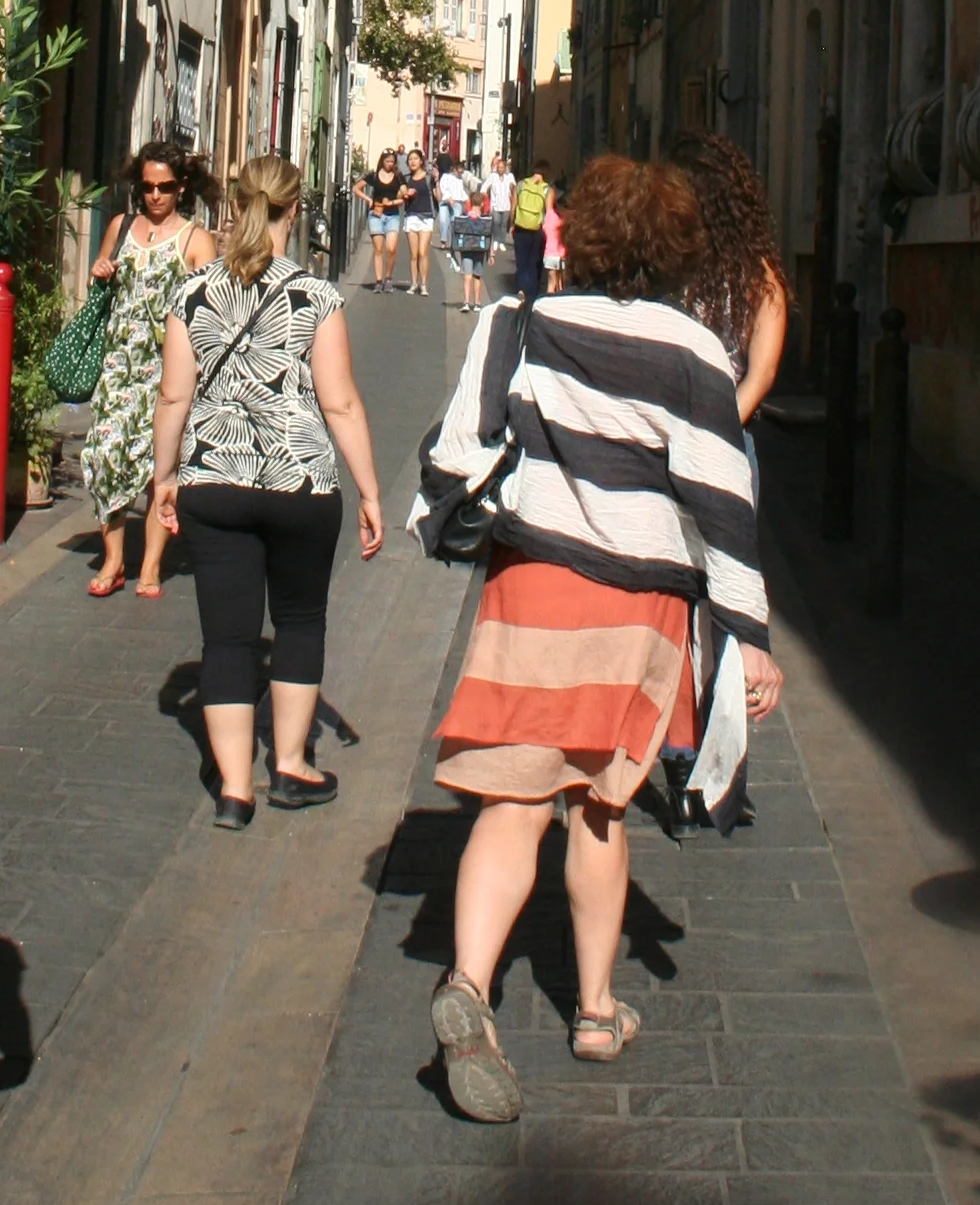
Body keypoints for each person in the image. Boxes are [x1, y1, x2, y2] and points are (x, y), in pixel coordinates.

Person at [419, 155, 782, 1120]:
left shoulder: (518, 325)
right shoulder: (694, 351)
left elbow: (458, 456)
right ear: (671, 250)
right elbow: (722, 499)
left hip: (532, 586)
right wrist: (748, 636)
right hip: (639, 603)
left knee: (510, 797)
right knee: (599, 806)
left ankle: (466, 983)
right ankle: (592, 1008)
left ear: (573, 236)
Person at [151, 155, 387, 826]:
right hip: (301, 483)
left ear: (236, 206)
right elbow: (339, 403)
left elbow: (173, 395)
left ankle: (233, 788)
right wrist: (369, 490)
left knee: (226, 638)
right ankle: (289, 764)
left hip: (213, 480)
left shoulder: (191, 293)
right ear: (294, 210)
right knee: (299, 622)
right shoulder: (315, 297)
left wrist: (165, 475)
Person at [79, 143, 218, 597]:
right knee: (106, 456)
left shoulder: (196, 240)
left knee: (161, 469)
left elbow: (211, 310)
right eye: (147, 187)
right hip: (120, 363)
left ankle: (152, 564)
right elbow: (99, 284)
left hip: (167, 371)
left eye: (165, 187)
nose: (155, 196)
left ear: (181, 188)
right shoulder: (121, 228)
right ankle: (115, 559)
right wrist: (99, 272)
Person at [671, 131, 791, 424]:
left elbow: (762, 375)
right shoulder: (667, 261)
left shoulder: (757, 278)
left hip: (722, 434)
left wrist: (715, 434)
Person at [509, 161, 551, 299]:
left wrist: (511, 225)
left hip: (520, 227)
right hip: (537, 230)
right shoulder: (547, 189)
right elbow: (549, 213)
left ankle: (521, 289)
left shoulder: (521, 185)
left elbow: (513, 208)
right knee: (534, 263)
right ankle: (532, 294)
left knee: (521, 262)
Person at [363, 145, 404, 290]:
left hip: (392, 214)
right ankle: (379, 281)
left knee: (391, 248)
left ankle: (388, 277)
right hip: (376, 214)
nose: (390, 164)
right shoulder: (374, 176)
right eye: (387, 161)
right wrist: (368, 199)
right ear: (382, 161)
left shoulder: (398, 176)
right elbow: (356, 188)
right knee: (378, 248)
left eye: (392, 161)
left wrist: (399, 196)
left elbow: (403, 195)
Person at [400, 148, 438, 296]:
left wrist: (437, 180)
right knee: (413, 254)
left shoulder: (429, 178)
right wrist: (405, 194)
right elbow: (400, 195)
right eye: (410, 159)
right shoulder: (406, 178)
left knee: (423, 252)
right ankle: (414, 283)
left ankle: (423, 284)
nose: (413, 161)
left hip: (426, 216)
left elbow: (438, 197)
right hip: (411, 216)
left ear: (421, 161)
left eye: (415, 159)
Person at [435, 157, 467, 250]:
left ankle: (453, 242)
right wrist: (448, 197)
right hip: (445, 202)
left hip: (457, 202)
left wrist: (466, 199)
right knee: (443, 221)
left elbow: (461, 191)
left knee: (455, 222)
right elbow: (443, 187)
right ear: (454, 169)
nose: (460, 174)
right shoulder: (446, 177)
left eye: (462, 172)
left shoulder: (460, 179)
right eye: (459, 171)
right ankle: (443, 241)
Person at [541, 181, 566, 293]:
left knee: (551, 284)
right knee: (561, 285)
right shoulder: (566, 221)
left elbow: (548, 203)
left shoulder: (550, 215)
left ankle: (548, 303)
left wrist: (551, 189)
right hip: (562, 256)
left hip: (550, 255)